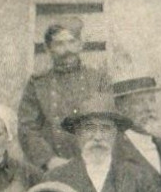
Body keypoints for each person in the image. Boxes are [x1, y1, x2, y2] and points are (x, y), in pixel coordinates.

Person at [17, 16, 110, 171]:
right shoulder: (38, 83)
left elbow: (109, 123)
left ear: (81, 45)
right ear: (48, 48)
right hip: (52, 167)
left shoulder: (99, 79)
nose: (67, 50)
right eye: (59, 43)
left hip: (94, 164)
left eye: (72, 42)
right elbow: (27, 128)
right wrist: (48, 160)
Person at [111, 75, 161, 176]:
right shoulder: (115, 152)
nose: (149, 108)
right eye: (139, 102)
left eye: (152, 100)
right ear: (121, 108)